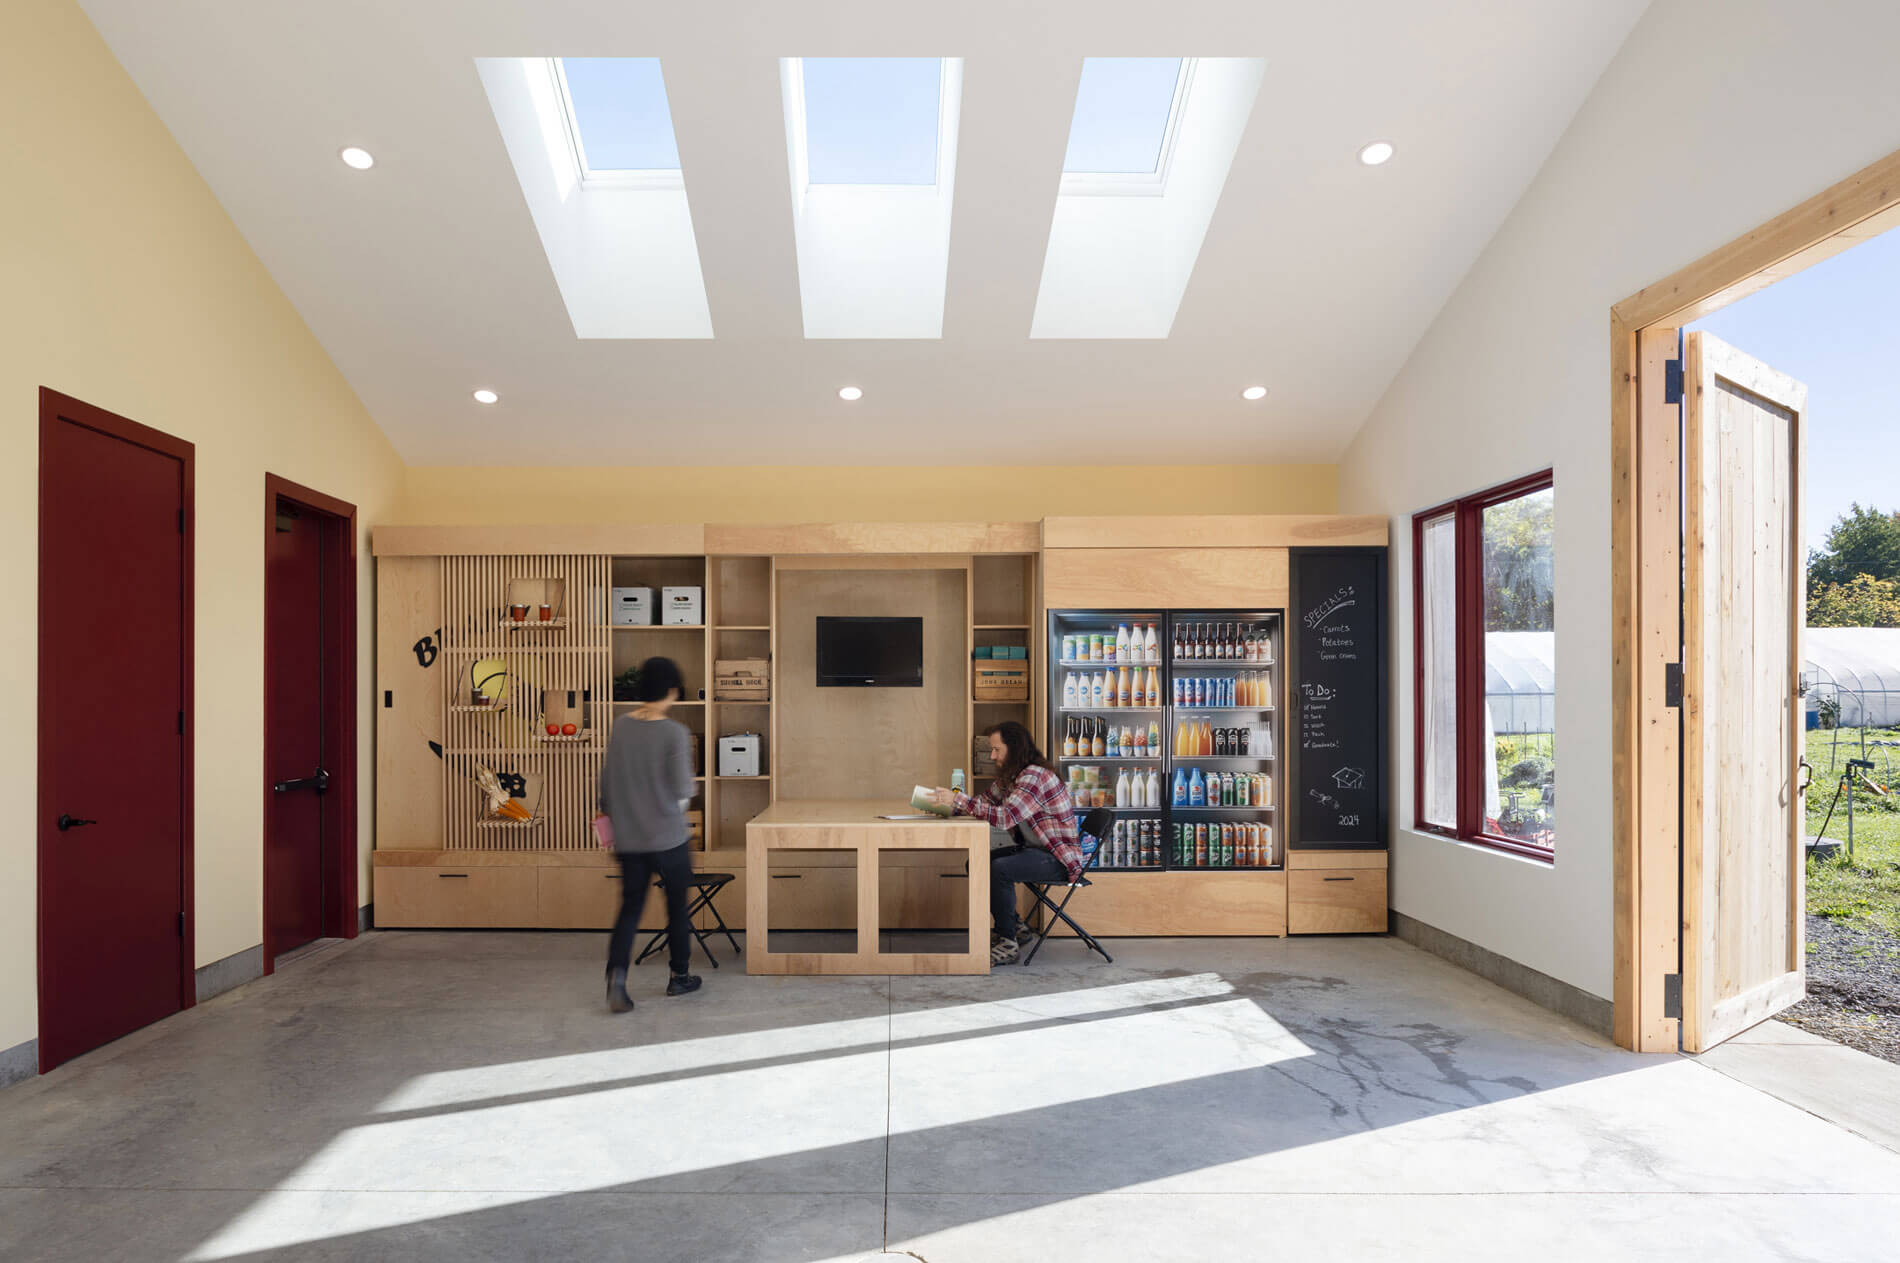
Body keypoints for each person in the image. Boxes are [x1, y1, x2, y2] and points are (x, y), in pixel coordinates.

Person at [597, 656, 702, 1012]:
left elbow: (606, 785)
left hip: (629, 839)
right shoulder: (675, 732)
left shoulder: (621, 726)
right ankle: (680, 977)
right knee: (677, 909)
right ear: (672, 690)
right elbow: (682, 789)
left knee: (629, 909)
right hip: (668, 839)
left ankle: (617, 978)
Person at [930, 721, 1083, 966]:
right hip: (1033, 850)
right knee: (977, 862)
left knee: (999, 869)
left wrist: (960, 800)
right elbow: (984, 802)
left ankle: (1007, 943)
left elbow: (1005, 817)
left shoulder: (1035, 777)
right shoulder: (1012, 777)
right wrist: (947, 806)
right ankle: (1013, 927)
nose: (992, 756)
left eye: (997, 750)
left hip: (1056, 858)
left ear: (1015, 748)